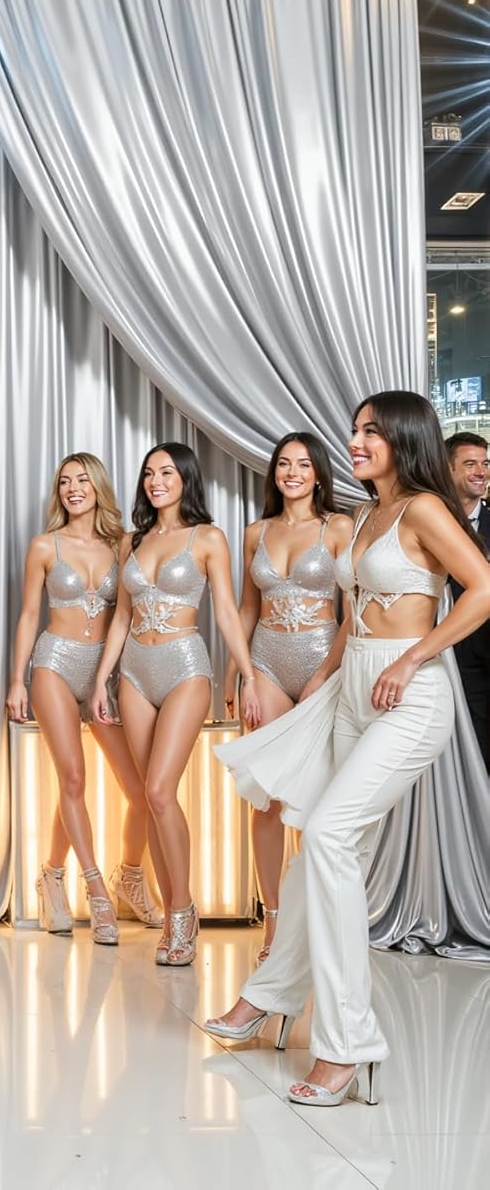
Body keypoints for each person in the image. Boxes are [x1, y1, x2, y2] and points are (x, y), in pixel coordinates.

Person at [206, 393, 490, 1108]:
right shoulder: (363, 515)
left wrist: (414, 657)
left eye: (370, 432)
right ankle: (270, 995)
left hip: (409, 694)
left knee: (330, 837)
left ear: (403, 438)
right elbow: (354, 610)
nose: (356, 441)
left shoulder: (425, 509)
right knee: (321, 848)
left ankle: (347, 1044)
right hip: (352, 687)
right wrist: (327, 676)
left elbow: (483, 589)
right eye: (356, 430)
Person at [91, 442, 256, 967]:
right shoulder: (132, 541)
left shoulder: (208, 538)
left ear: (186, 479)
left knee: (161, 790)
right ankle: (171, 915)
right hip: (135, 672)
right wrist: (102, 680)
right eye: (148, 473)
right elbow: (121, 617)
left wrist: (248, 675)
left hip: (185, 666)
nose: (155, 481)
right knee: (149, 796)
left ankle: (183, 912)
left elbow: (226, 613)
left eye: (166, 472)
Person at [6, 453, 162, 944]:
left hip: (106, 673)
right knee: (73, 777)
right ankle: (94, 889)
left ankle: (115, 876)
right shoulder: (44, 545)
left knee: (141, 791)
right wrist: (16, 680)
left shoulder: (124, 545)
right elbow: (28, 615)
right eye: (65, 482)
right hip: (55, 663)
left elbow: (131, 610)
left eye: (82, 480)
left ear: (98, 487)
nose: (73, 489)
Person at [232, 433, 351, 961]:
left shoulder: (338, 528)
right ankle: (274, 923)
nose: (292, 473)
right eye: (284, 464)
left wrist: (324, 674)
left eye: (303, 464)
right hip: (266, 664)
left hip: (321, 662)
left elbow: (353, 614)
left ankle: (314, 919)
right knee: (267, 796)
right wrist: (240, 676)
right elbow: (246, 610)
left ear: (319, 473)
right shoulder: (255, 532)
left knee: (313, 799)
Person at [446, 430, 489, 770]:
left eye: (485, 464)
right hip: (444, 654)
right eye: (470, 464)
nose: (481, 472)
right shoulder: (431, 522)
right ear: (448, 470)